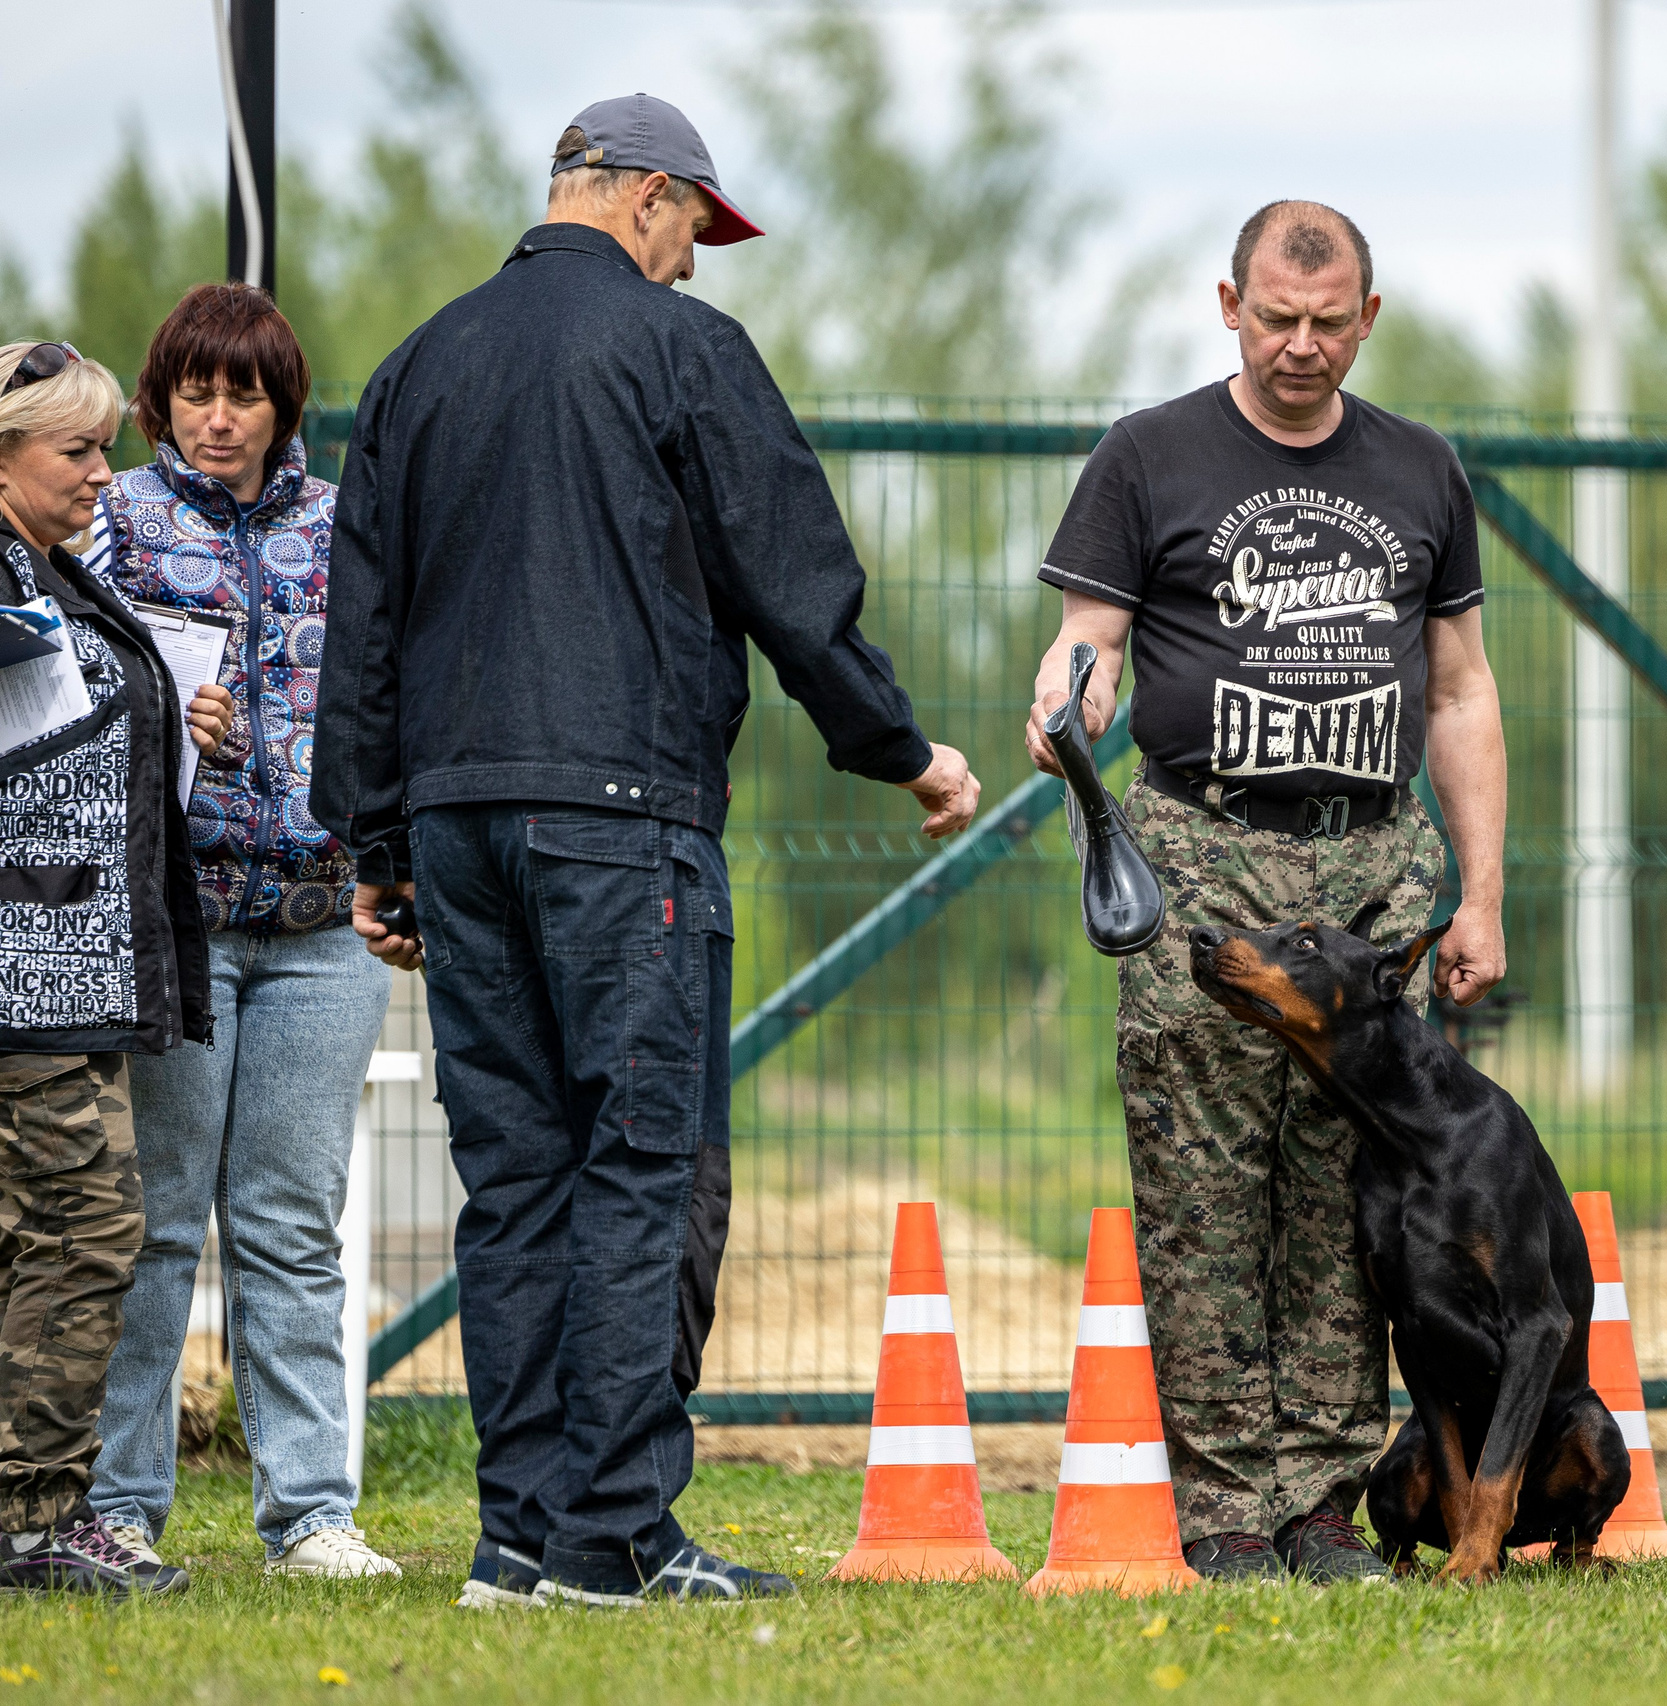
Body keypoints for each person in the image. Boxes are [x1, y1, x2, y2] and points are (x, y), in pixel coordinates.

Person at [312, 94, 982, 1609]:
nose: (694, 263)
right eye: (696, 232)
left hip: (460, 819)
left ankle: (518, 1537)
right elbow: (794, 574)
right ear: (649, 201)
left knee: (511, 1175)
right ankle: (615, 1537)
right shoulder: (684, 351)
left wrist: (374, 836)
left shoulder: (415, 366)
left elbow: (362, 628)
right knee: (638, 1163)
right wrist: (902, 747)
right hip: (624, 824)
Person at [1023, 201, 1509, 1583]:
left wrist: (1478, 894)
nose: (1302, 346)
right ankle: (1229, 1512)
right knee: (1206, 1198)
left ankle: (1325, 1506)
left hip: (1374, 876)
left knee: (1362, 1202)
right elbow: (1085, 644)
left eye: (1328, 321)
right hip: (1206, 874)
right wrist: (1070, 704)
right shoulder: (1148, 456)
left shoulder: (1422, 468)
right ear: (1226, 302)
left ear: (1370, 316)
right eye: (1276, 317)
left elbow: (1464, 690)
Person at [84, 285, 399, 1581]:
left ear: (284, 407)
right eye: (197, 392)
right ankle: (117, 1504)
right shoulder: (115, 519)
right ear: (162, 401)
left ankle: (311, 1510)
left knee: (289, 1220)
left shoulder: (347, 527)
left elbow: (393, 689)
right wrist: (168, 717)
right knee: (157, 1224)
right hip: (179, 923)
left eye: (246, 393)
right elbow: (68, 684)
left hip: (325, 927)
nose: (220, 418)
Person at [0, 339, 235, 1597]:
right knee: (87, 1225)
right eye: (77, 451)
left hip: (70, 958)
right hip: (21, 965)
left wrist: (170, 708)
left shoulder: (52, 571)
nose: (106, 473)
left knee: (45, 1230)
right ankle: (34, 1517)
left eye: (105, 446)